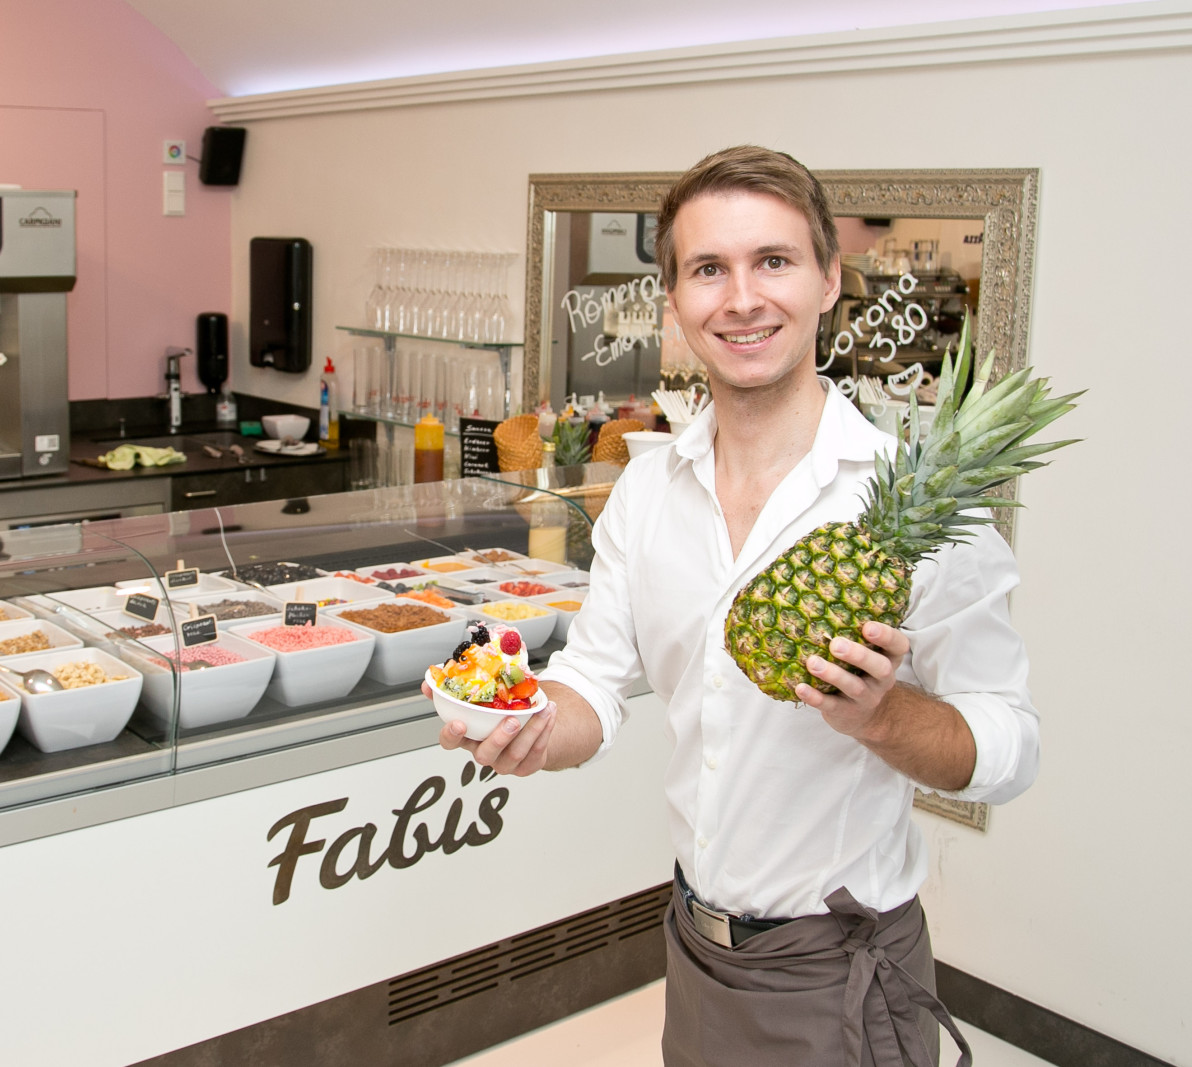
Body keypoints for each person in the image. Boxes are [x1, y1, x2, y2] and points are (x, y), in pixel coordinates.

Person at [437, 145, 1038, 1066]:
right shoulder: (647, 490)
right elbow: (593, 688)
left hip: (843, 970)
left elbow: (1009, 747)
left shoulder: (914, 508)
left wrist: (884, 716)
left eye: (775, 261)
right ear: (674, 300)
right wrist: (519, 722)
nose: (743, 298)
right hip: (691, 947)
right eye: (709, 269)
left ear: (830, 279)